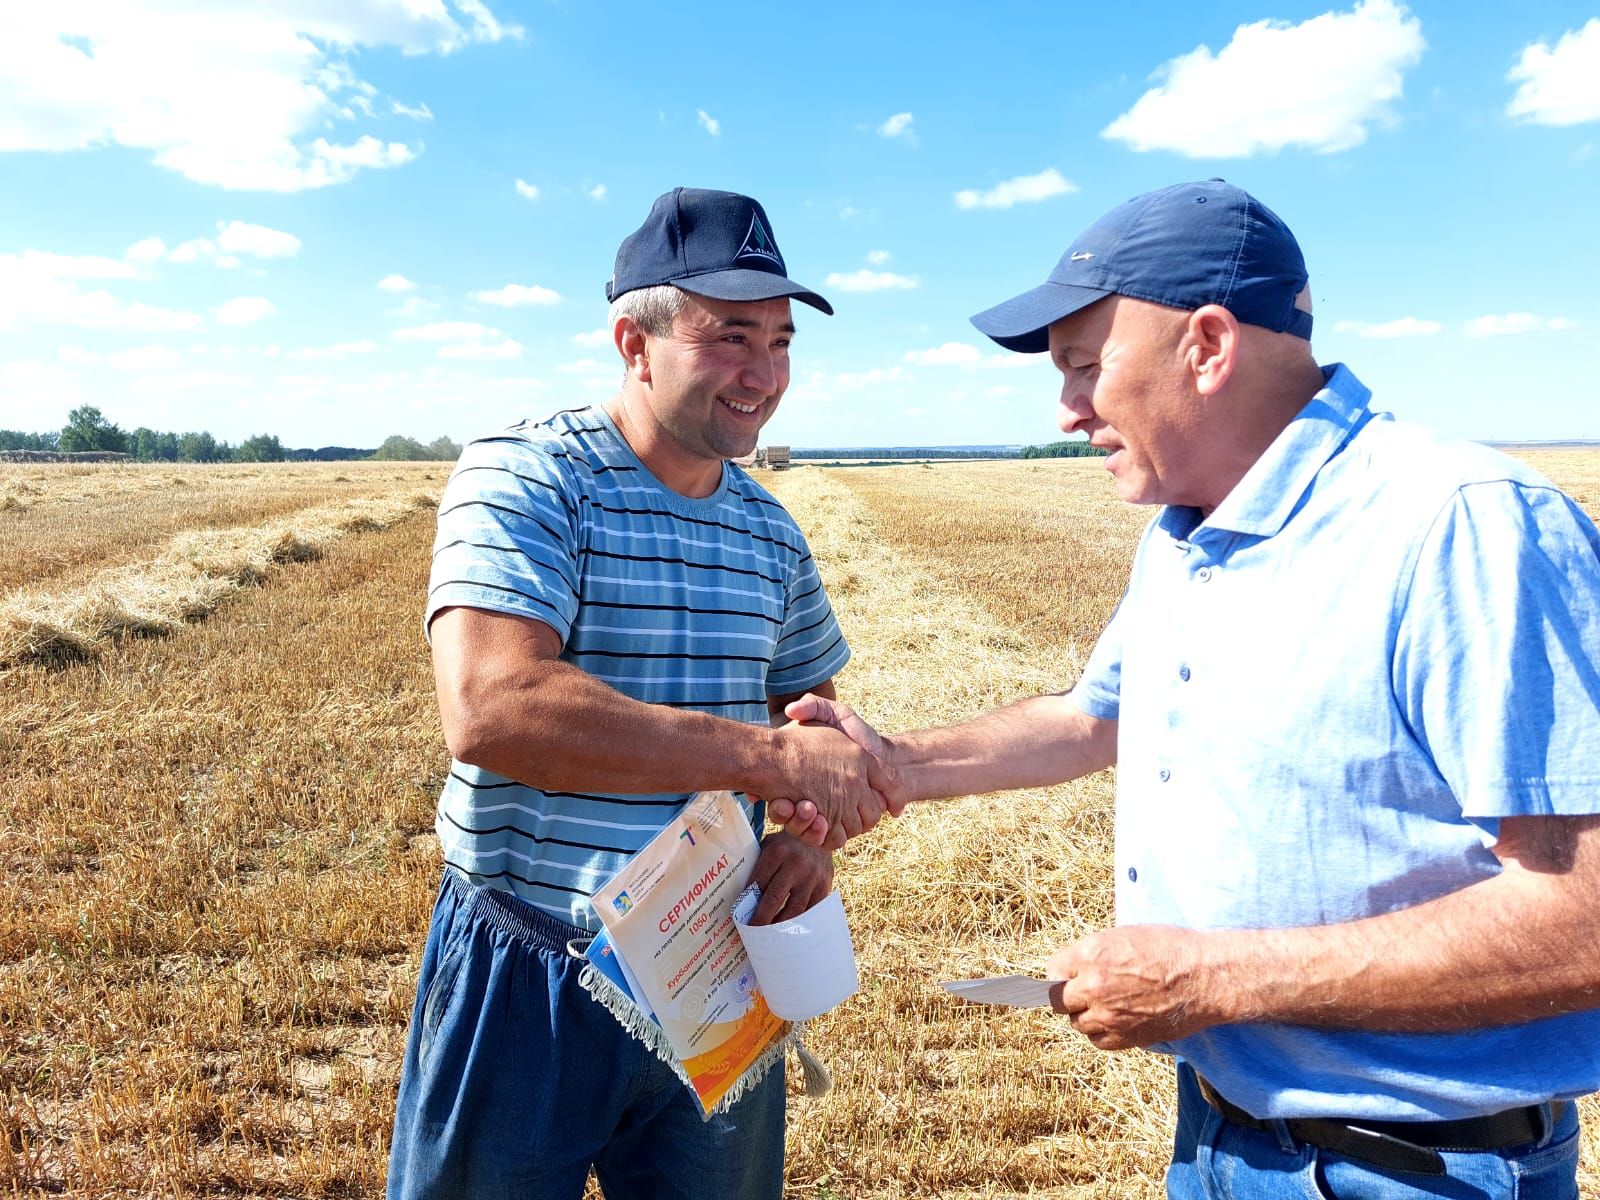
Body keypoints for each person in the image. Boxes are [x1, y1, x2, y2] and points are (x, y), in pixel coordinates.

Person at [773, 180, 1600, 1198]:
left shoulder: (1462, 528)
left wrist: (1212, 981)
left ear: (1206, 346)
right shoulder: (1189, 535)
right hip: (1218, 1141)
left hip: (1413, 1169)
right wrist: (895, 765)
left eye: (1083, 367)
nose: (1067, 411)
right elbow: (1091, 719)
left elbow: (1585, 915)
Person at [387, 187, 893, 1200]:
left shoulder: (768, 532)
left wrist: (804, 837)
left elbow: (811, 723)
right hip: (532, 963)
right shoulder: (531, 477)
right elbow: (493, 706)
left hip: (713, 963)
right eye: (731, 336)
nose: (764, 374)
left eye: (782, 341)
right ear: (634, 339)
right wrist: (767, 762)